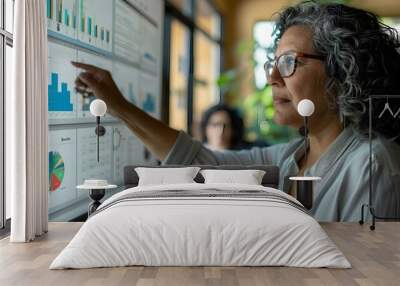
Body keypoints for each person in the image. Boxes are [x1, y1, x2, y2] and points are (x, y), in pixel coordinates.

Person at [72, 1, 400, 222]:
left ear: (343, 72)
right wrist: (117, 105)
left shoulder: (372, 166)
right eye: (272, 65)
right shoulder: (290, 156)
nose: (271, 79)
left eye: (289, 62)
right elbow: (200, 161)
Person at [200, 104, 267, 151]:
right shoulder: (197, 154)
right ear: (205, 128)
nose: (221, 131)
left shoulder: (248, 152)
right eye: (215, 125)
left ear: (233, 130)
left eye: (226, 126)